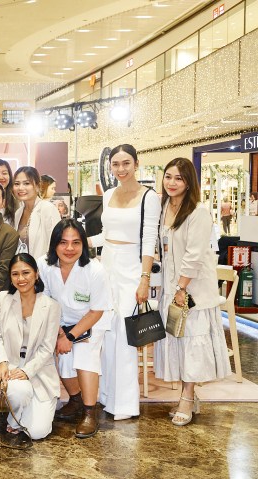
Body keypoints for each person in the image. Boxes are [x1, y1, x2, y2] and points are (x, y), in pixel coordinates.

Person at [154, 157, 231, 426]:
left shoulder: (198, 212)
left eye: (179, 178)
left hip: (191, 289)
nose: (172, 182)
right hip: (171, 287)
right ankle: (189, 395)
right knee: (178, 340)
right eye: (168, 176)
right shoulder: (163, 207)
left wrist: (181, 287)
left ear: (189, 182)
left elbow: (194, 254)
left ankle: (187, 397)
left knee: (190, 342)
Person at [87, 144, 160, 421]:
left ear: (136, 163)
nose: (121, 169)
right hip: (107, 265)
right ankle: (106, 396)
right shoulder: (108, 195)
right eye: (116, 164)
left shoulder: (149, 197)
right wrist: (79, 241)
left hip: (132, 268)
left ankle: (125, 404)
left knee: (125, 335)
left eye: (126, 163)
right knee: (106, 332)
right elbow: (107, 234)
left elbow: (149, 240)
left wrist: (144, 279)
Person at [37, 219, 112, 438]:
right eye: (63, 242)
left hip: (91, 321)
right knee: (63, 359)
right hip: (59, 321)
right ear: (54, 244)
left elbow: (96, 311)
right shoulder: (44, 264)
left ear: (83, 245)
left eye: (76, 242)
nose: (69, 248)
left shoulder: (95, 270)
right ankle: (76, 400)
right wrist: (59, 333)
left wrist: (70, 336)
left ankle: (90, 412)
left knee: (84, 356)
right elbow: (45, 300)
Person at [0, 253, 61, 445]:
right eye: (15, 274)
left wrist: (27, 371)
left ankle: (23, 413)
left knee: (37, 432)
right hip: (10, 367)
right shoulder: (3, 299)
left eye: (26, 273)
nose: (21, 279)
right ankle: (16, 414)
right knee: (18, 391)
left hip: (39, 372)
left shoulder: (51, 306)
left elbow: (47, 348)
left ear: (36, 274)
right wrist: (2, 363)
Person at [13, 166, 61, 259]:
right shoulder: (18, 213)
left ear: (38, 186)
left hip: (42, 266)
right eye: (17, 184)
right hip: (22, 266)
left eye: (27, 183)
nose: (20, 188)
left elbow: (57, 244)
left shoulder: (48, 209)